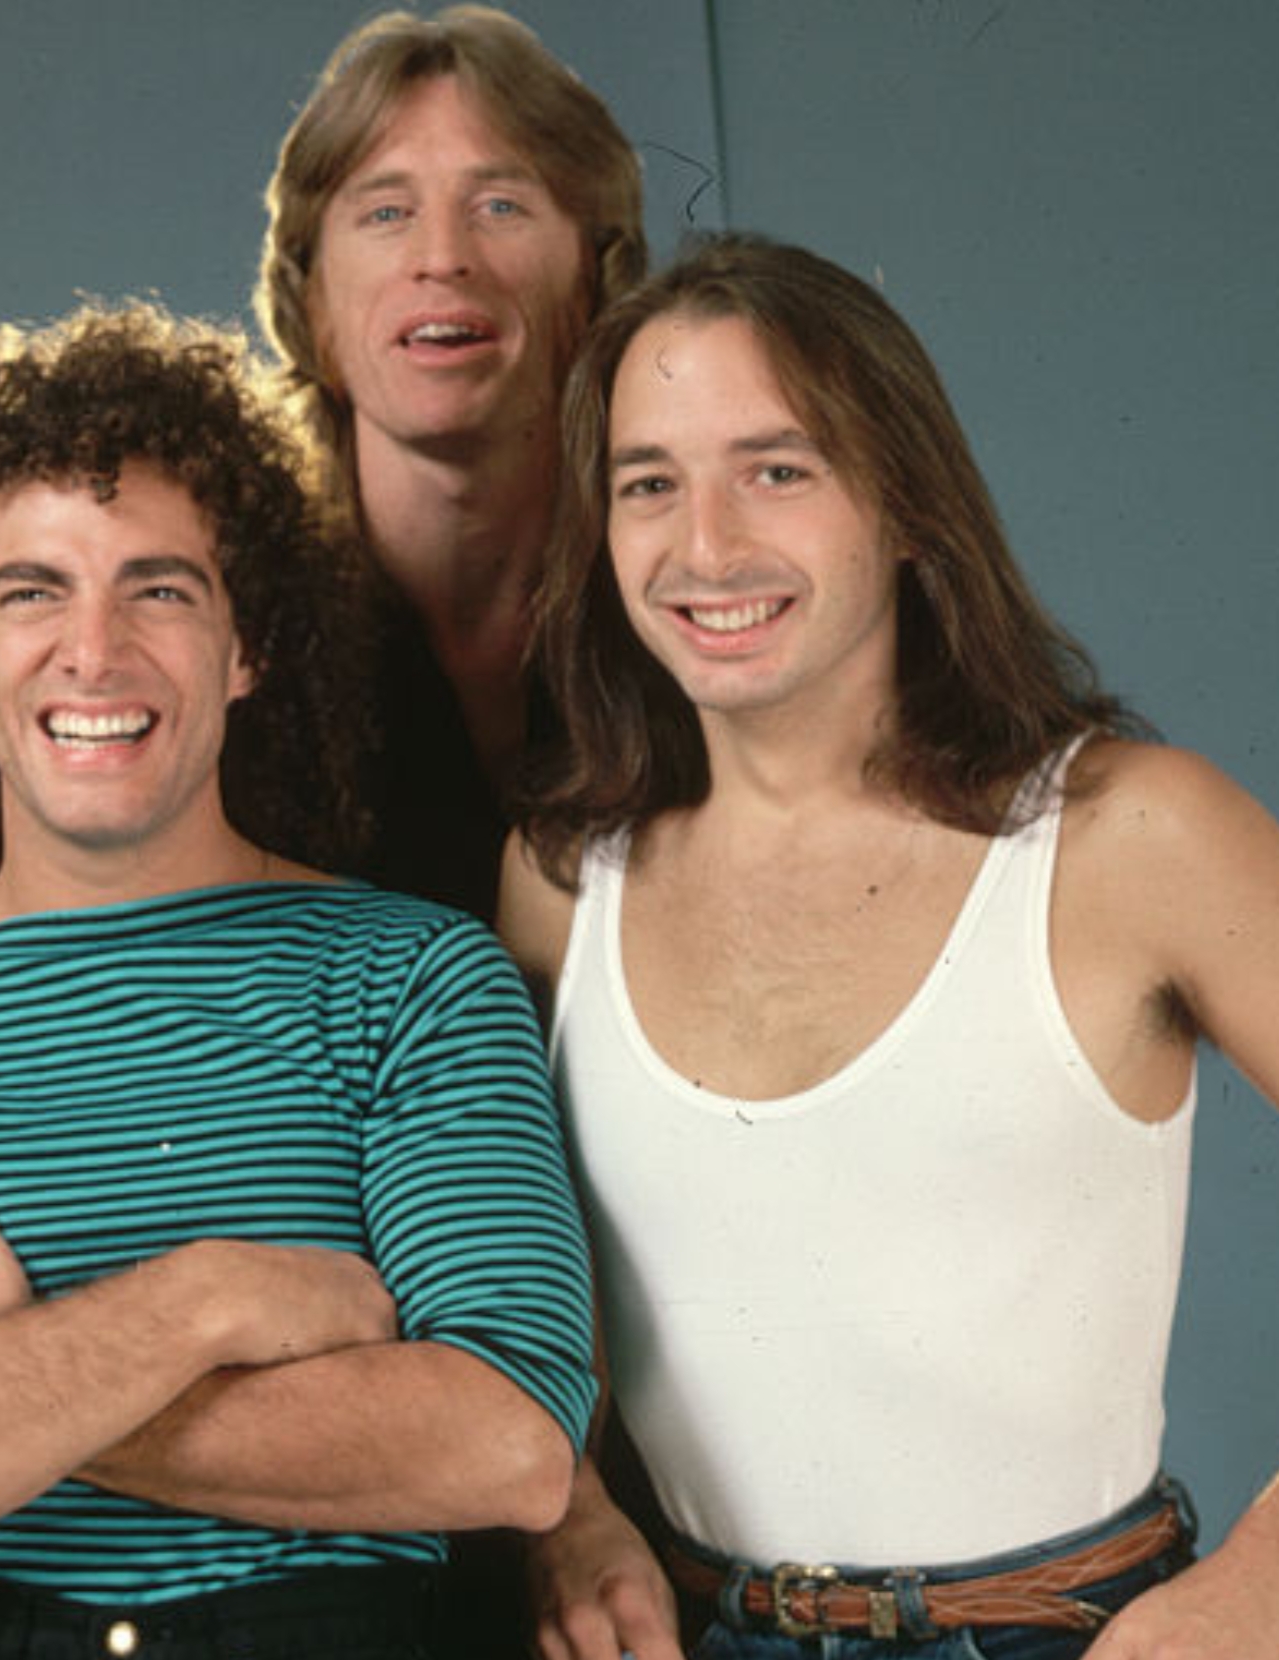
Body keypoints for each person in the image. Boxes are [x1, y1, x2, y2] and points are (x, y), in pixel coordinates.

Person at [0, 302, 596, 1660]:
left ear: (248, 648)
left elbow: (508, 1438)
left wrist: (0, 1383)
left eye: (158, 587)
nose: (93, 648)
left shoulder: (414, 977)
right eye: (31, 590)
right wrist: (208, 1302)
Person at [502, 233, 1279, 1660]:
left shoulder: (1125, 837)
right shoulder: (564, 881)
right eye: (646, 485)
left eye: (776, 468)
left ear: (908, 506)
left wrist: (1256, 1595)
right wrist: (571, 1519)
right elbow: (543, 1281)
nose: (704, 546)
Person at [258, 4, 645, 917]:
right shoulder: (231, 632)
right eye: (386, 212)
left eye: (499, 206)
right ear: (309, 302)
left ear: (594, 278)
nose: (442, 258)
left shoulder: (688, 592)